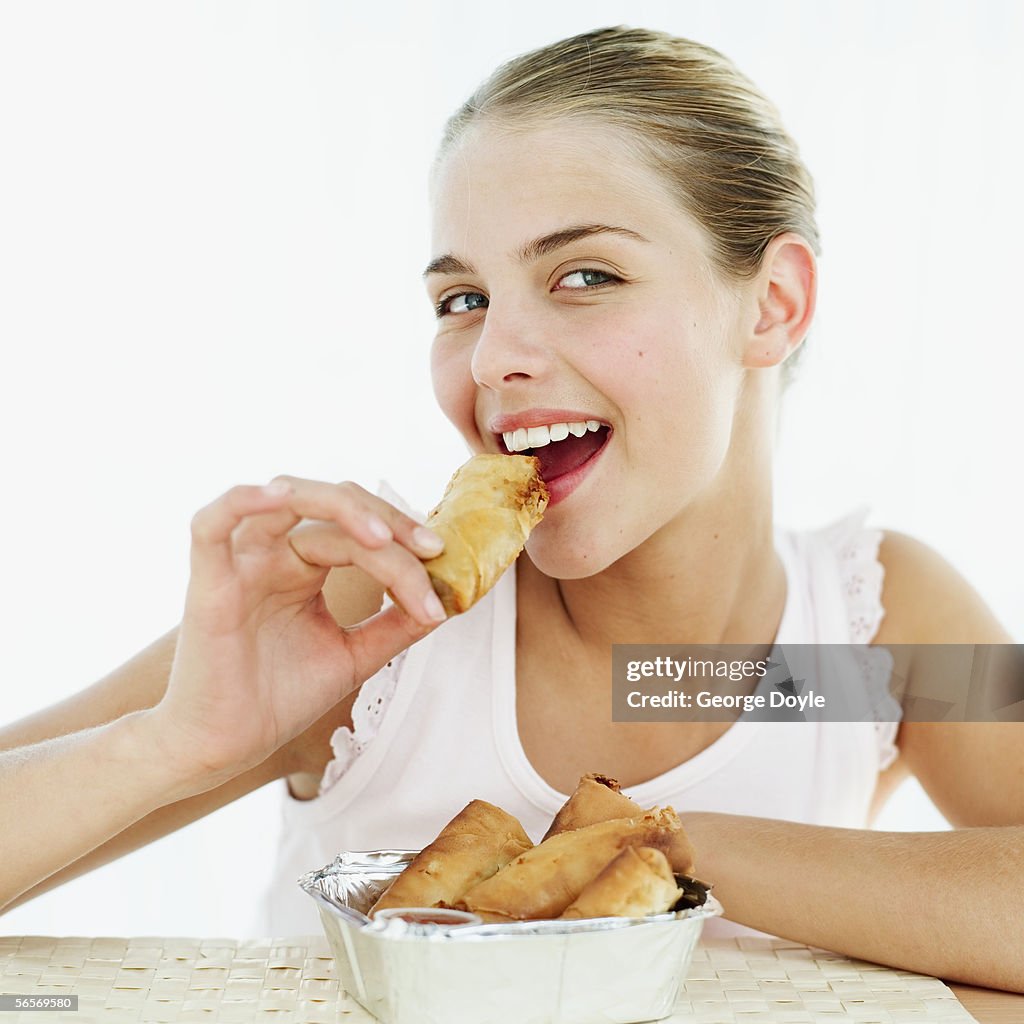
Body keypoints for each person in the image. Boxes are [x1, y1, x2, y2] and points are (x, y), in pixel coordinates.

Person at [2, 26, 1022, 993]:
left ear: (772, 305)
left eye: (585, 275)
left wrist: (672, 841)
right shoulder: (374, 617)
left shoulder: (868, 642)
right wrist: (178, 741)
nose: (493, 358)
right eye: (462, 300)